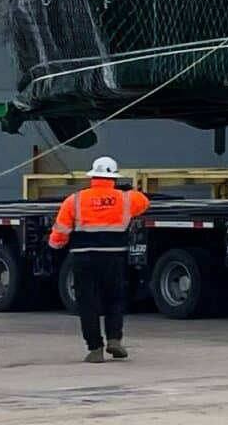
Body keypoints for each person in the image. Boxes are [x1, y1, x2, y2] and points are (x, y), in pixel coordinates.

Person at [48, 155, 151, 362]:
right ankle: (114, 339)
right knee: (115, 299)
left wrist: (54, 246)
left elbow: (61, 230)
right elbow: (144, 202)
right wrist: (124, 191)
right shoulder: (126, 199)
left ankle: (95, 349)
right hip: (113, 257)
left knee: (88, 303)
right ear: (113, 178)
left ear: (92, 176)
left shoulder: (74, 199)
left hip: (83, 258)